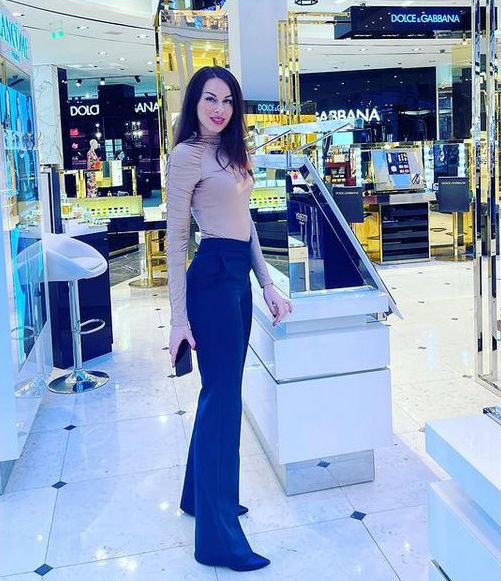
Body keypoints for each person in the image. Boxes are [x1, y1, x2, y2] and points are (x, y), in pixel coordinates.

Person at [166, 66, 292, 572]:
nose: (219, 109)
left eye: (227, 100)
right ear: (194, 103)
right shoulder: (186, 155)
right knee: (222, 399)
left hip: (237, 277)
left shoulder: (233, 153)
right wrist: (178, 320)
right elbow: (176, 239)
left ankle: (199, 497)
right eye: (209, 99)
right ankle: (217, 540)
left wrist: (267, 283)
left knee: (222, 393)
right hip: (212, 277)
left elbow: (248, 224)